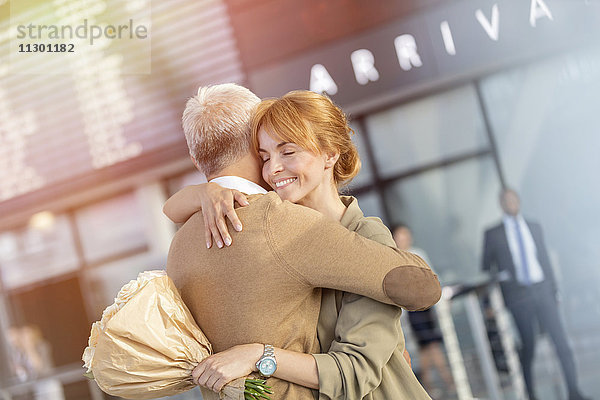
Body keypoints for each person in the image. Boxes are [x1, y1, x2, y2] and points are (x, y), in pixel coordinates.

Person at [165, 83, 441, 400]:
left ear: (330, 153)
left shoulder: (360, 235)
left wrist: (259, 355)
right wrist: (204, 191)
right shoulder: (284, 228)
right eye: (264, 155)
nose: (272, 169)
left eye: (288, 151)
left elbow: (354, 372)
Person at [482, 188, 590, 400]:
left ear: (519, 201)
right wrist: (495, 297)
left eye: (514, 198)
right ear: (501, 204)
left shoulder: (534, 226)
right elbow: (486, 268)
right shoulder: (493, 234)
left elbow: (544, 260)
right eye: (506, 200)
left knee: (562, 344)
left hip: (543, 291)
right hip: (518, 296)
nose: (511, 203)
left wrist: (554, 290)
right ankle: (531, 395)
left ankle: (574, 392)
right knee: (528, 346)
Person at [392, 224, 455, 396]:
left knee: (428, 348)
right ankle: (447, 381)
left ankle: (428, 385)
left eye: (405, 235)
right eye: (399, 236)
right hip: (412, 311)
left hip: (426, 308)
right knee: (430, 346)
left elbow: (432, 279)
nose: (403, 239)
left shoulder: (418, 254)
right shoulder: (393, 258)